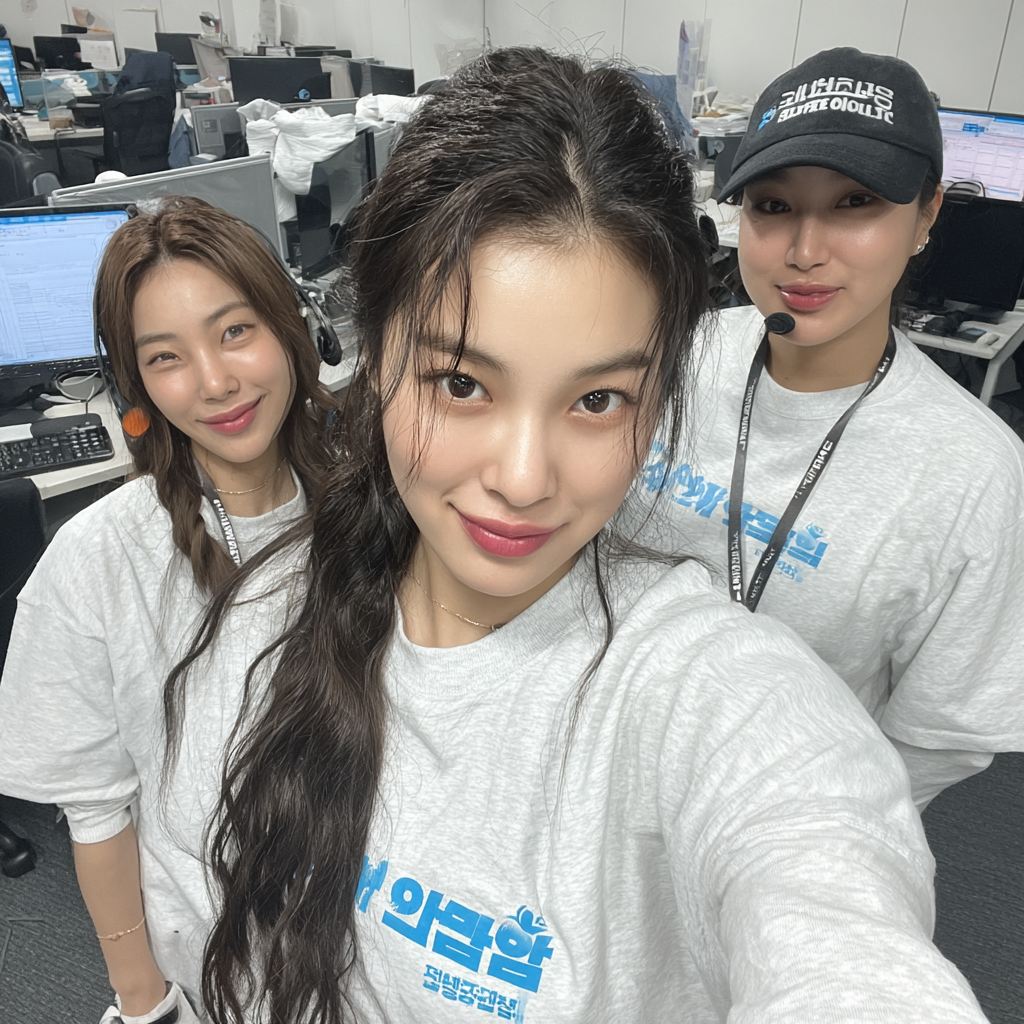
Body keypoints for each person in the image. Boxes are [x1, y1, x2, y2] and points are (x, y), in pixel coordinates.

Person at [125, 50, 988, 1024]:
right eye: (462, 383)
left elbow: (834, 910)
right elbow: (196, 917)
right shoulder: (268, 611)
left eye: (597, 398)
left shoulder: (714, 702)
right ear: (373, 357)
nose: (524, 478)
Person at [641, 47, 1024, 811]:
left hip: (787, 815)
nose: (805, 252)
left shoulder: (976, 476)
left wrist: (805, 819)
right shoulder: (674, 357)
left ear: (926, 216)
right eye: (774, 206)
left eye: (855, 203)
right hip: (604, 762)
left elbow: (941, 736)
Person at [0, 197, 339, 1024]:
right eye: (166, 357)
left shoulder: (375, 501)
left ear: (290, 326)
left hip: (387, 946)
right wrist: (143, 1001)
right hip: (227, 963)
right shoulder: (100, 560)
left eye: (235, 331)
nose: (215, 382)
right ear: (137, 383)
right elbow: (96, 810)